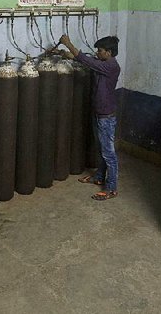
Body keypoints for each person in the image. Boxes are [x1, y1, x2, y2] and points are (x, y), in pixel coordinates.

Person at [56, 34, 121, 201]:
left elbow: (88, 61)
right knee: (101, 149)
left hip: (106, 117)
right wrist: (67, 55)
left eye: (100, 51)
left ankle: (112, 188)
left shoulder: (112, 66)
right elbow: (88, 61)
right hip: (98, 113)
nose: (97, 53)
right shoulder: (103, 63)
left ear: (109, 52)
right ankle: (99, 177)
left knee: (109, 154)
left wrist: (68, 44)